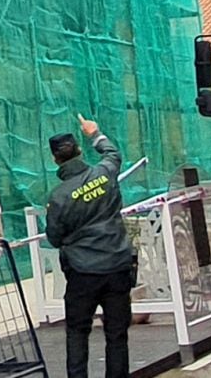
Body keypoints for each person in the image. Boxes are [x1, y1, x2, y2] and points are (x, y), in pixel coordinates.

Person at [45, 115, 134, 378]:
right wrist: (95, 133)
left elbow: (54, 237)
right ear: (80, 151)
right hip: (117, 266)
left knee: (77, 331)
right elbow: (112, 153)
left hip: (83, 273)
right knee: (117, 334)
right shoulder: (104, 174)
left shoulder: (58, 197)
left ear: (55, 161)